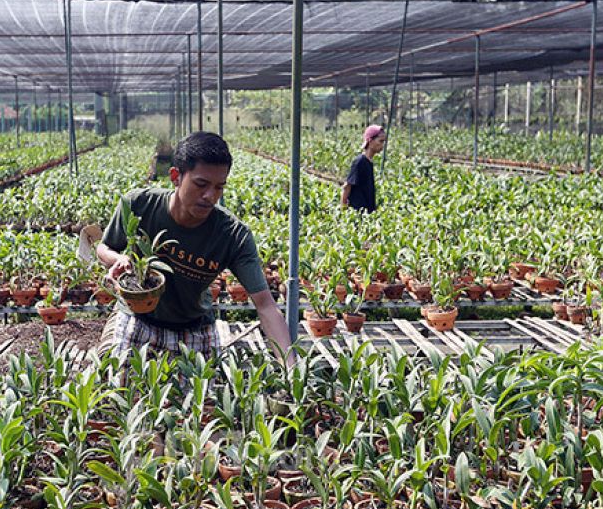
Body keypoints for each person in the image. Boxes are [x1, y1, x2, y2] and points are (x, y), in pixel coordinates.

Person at [97, 131, 293, 363]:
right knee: (117, 385)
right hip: (137, 318)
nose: (210, 196)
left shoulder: (232, 235)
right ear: (176, 176)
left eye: (219, 187)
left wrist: (290, 367)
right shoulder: (139, 205)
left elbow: (266, 305)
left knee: (202, 398)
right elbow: (104, 247)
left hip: (194, 328)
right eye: (201, 184)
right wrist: (116, 259)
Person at [341, 124, 386, 212]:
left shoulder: (369, 162)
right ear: (370, 141)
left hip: (366, 214)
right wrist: (343, 209)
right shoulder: (360, 161)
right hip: (358, 213)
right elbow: (347, 186)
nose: (382, 145)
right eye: (380, 141)